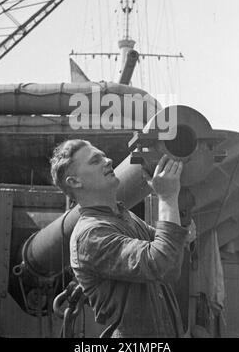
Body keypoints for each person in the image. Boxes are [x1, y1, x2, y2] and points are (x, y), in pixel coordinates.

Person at [50, 138, 189, 338]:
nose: (108, 161)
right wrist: (167, 198)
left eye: (104, 156)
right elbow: (162, 262)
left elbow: (171, 251)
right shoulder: (90, 236)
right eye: (95, 161)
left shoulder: (124, 217)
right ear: (74, 181)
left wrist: (182, 225)